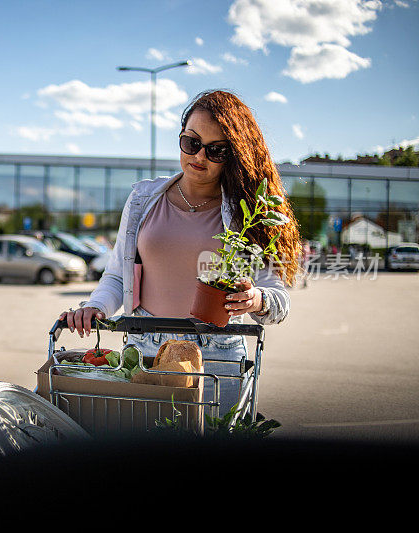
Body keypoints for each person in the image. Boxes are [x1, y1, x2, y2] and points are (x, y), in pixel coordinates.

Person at [59, 89, 301, 414]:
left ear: (235, 155)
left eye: (217, 150)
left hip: (217, 354)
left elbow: (279, 301)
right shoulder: (144, 199)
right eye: (191, 142)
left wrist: (256, 300)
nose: (199, 156)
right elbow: (117, 274)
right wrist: (95, 307)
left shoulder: (250, 213)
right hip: (144, 347)